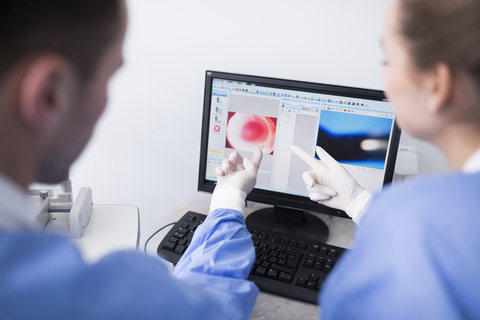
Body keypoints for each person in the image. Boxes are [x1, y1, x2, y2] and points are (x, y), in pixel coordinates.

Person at [0, 1, 262, 319]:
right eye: (109, 77)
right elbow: (208, 304)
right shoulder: (63, 296)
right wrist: (229, 201)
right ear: (49, 94)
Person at [292, 0, 480, 318]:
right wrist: (359, 203)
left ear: (437, 83)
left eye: (387, 59)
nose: (382, 75)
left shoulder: (416, 221)